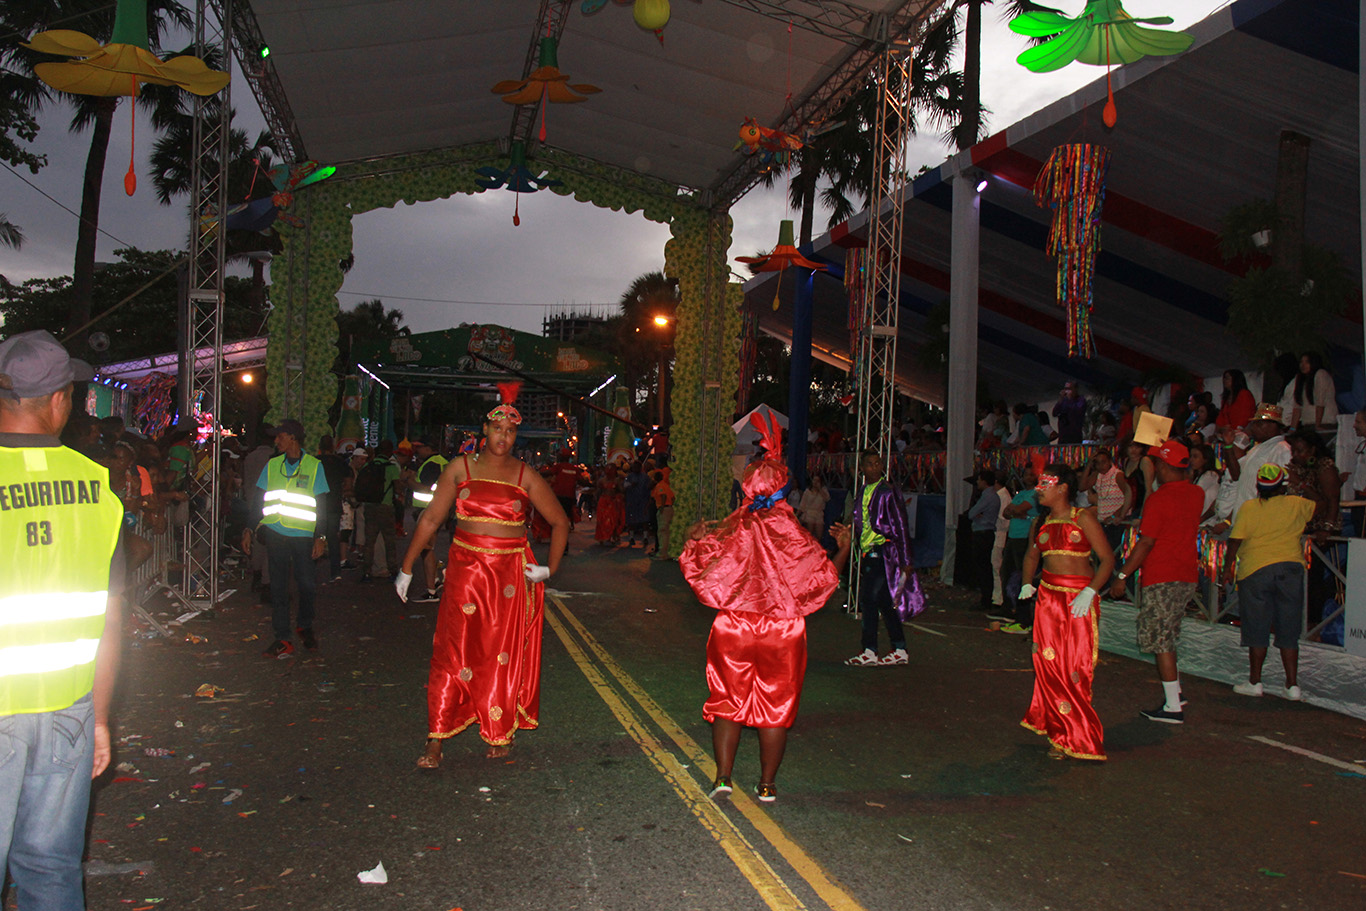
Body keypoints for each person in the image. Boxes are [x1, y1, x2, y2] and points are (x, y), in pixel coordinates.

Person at [0, 331, 125, 910]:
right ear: (58, 400)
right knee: (51, 869)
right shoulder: (97, 486)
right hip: (68, 710)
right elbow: (111, 614)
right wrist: (99, 717)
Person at [679, 414, 851, 803]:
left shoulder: (732, 528)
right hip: (783, 632)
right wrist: (842, 550)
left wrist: (693, 540)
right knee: (775, 708)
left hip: (734, 628)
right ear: (784, 490)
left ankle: (723, 777)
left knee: (727, 703)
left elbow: (698, 570)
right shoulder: (795, 535)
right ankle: (767, 784)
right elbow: (822, 580)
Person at [396, 400, 568, 765]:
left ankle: (499, 729)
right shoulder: (460, 468)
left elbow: (560, 522)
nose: (503, 436)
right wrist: (407, 567)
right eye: (497, 429)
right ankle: (436, 736)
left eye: (511, 431)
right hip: (465, 572)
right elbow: (431, 519)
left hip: (508, 577)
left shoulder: (525, 475)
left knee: (499, 654)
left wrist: (549, 569)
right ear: (484, 431)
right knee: (451, 651)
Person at [1017, 463, 1114, 759]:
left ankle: (1078, 734)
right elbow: (1031, 556)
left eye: (1044, 484)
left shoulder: (1082, 518)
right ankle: (1059, 734)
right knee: (1048, 666)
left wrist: (1090, 591)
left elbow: (1107, 559)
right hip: (1048, 599)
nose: (1038, 489)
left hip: (1078, 601)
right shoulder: (1041, 522)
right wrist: (1027, 583)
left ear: (1062, 488)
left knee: (1075, 668)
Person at [1107, 439, 1204, 723]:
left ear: (1162, 466)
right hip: (1185, 573)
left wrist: (1122, 575)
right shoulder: (1196, 493)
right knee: (1168, 634)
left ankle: (1173, 706)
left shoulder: (1160, 499)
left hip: (1162, 574)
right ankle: (1176, 693)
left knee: (1160, 639)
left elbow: (1146, 543)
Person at [1223, 465, 1314, 701]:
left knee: (1257, 627)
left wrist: (1227, 568)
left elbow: (1235, 540)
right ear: (1282, 485)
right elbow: (1321, 505)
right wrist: (1301, 484)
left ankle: (1255, 682)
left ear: (1258, 486)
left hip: (1256, 570)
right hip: (1290, 569)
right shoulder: (1296, 503)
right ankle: (1292, 685)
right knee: (1289, 628)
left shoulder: (1249, 507)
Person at [242, 419, 329, 658]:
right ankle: (282, 638)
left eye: (280, 436)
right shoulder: (272, 465)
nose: (276, 440)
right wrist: (249, 528)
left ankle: (304, 625)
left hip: (303, 536)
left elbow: (322, 505)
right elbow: (258, 501)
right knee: (278, 588)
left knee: (307, 585)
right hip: (276, 533)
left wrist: (320, 536)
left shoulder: (314, 466)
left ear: (292, 438)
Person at [845, 448, 925, 666]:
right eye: (870, 464)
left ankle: (870, 650)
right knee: (884, 601)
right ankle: (899, 648)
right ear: (862, 468)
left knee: (869, 599)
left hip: (882, 550)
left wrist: (906, 559)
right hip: (869, 550)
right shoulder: (864, 490)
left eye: (878, 463)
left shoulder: (887, 492)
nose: (875, 467)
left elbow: (900, 525)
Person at [1225, 404, 1293, 521]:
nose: (1253, 428)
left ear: (1273, 425)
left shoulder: (1281, 449)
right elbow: (1236, 475)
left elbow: (1280, 490)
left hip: (1259, 518)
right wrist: (1228, 446)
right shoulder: (1256, 448)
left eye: (1259, 424)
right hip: (1244, 516)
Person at [998, 466, 1042, 634]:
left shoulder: (1036, 494)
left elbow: (1017, 509)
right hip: (1013, 537)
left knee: (1023, 577)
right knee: (1007, 573)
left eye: (1032, 474)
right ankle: (1010, 609)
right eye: (1026, 474)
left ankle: (1024, 618)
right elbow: (1006, 512)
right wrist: (1016, 512)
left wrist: (1017, 512)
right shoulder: (1021, 494)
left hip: (1025, 539)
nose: (1028, 477)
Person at [407, 439, 449, 602]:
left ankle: (431, 590)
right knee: (427, 548)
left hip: (429, 511)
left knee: (425, 548)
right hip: (437, 509)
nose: (417, 450)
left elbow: (424, 488)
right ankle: (435, 581)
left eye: (420, 447)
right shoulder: (442, 462)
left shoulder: (432, 464)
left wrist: (410, 481)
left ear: (429, 448)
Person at [357, 439, 401, 581]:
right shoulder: (391, 468)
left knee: (370, 541)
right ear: (389, 452)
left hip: (370, 506)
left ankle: (366, 572)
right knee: (389, 541)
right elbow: (398, 488)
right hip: (385, 507)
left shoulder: (367, 466)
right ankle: (393, 571)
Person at [316, 434, 350, 583]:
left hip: (317, 503)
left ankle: (311, 570)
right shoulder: (340, 462)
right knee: (333, 538)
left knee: (315, 535)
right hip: (334, 503)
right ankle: (335, 572)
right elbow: (348, 483)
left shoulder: (315, 462)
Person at [966, 470, 1001, 612]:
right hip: (987, 532)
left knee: (983, 567)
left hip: (982, 533)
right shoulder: (994, 496)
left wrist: (977, 515)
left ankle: (985, 599)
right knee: (985, 566)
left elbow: (971, 513)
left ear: (984, 481)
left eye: (979, 480)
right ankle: (986, 597)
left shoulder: (988, 496)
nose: (977, 482)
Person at [1280, 352, 1337, 434]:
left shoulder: (1320, 374)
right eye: (1301, 362)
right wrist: (1292, 428)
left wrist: (1318, 425)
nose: (1303, 365)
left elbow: (1320, 402)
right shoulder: (1301, 380)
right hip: (1308, 424)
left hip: (1325, 422)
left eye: (1307, 362)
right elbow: (1297, 406)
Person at [797, 474, 830, 541]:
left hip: (819, 514)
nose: (815, 482)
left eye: (817, 481)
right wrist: (797, 515)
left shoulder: (823, 490)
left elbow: (827, 498)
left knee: (819, 536)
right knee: (810, 535)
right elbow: (802, 505)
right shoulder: (807, 491)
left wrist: (819, 489)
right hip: (809, 514)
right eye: (814, 480)